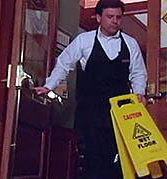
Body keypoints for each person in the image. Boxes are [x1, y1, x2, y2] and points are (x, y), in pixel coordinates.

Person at [34, 0, 147, 178]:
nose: (115, 21)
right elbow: (64, 64)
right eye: (110, 17)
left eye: (118, 17)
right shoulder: (83, 41)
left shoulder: (131, 44)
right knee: (93, 159)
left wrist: (139, 92)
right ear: (98, 17)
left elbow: (138, 73)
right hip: (91, 111)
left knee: (120, 158)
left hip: (121, 112)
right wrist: (49, 86)